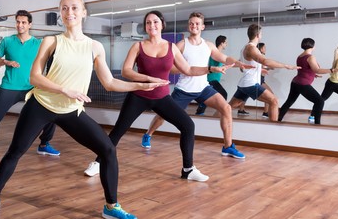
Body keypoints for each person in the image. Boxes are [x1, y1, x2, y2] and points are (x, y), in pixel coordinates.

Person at [0, 0, 168, 219]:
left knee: (108, 150)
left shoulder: (95, 46)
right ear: (60, 13)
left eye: (75, 8)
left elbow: (109, 82)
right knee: (15, 151)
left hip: (71, 111)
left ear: (84, 12)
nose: (70, 13)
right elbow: (35, 77)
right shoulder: (52, 41)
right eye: (65, 8)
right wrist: (64, 90)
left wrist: (141, 84)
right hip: (41, 105)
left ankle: (111, 206)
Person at [83, 11, 230, 180]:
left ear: (162, 24)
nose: (152, 25)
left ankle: (188, 169)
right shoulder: (138, 46)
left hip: (161, 98)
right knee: (118, 131)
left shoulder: (171, 47)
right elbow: (126, 71)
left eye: (155, 22)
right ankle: (99, 163)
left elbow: (188, 70)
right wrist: (147, 79)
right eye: (148, 23)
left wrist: (211, 69)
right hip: (138, 96)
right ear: (145, 27)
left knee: (188, 125)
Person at [142, 12, 250, 159]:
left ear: (202, 27)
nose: (194, 26)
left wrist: (238, 63)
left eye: (197, 23)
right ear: (188, 26)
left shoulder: (208, 45)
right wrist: (187, 69)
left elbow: (224, 58)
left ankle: (228, 146)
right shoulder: (181, 45)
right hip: (184, 89)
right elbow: (170, 67)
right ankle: (148, 134)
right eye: (191, 23)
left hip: (203, 88)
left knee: (226, 108)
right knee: (163, 115)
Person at [0, 10, 59, 156]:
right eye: (18, 22)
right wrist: (6, 61)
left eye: (23, 22)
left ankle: (44, 144)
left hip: (32, 87)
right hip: (9, 86)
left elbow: (54, 57)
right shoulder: (7, 41)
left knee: (50, 112)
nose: (20, 25)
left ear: (30, 24)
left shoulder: (38, 43)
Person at [228, 24, 299, 122]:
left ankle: (214, 121)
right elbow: (264, 61)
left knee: (228, 107)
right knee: (274, 101)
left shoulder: (245, 48)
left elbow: (243, 67)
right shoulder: (251, 48)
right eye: (261, 33)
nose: (261, 35)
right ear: (258, 35)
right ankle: (274, 128)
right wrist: (286, 66)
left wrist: (259, 70)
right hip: (250, 84)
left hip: (245, 84)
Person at [278, 38, 338, 124]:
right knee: (320, 101)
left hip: (295, 82)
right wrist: (331, 70)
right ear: (313, 46)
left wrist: (314, 75)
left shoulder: (300, 56)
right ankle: (317, 123)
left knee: (289, 101)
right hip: (303, 84)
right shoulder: (310, 57)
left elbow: (305, 69)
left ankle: (278, 119)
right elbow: (317, 69)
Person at [195, 35, 228, 115]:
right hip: (211, 79)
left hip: (214, 79)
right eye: (225, 42)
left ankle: (201, 109)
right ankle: (217, 114)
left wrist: (223, 67)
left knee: (210, 96)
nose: (226, 44)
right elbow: (214, 66)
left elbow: (217, 66)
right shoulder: (215, 53)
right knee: (224, 94)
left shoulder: (217, 53)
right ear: (221, 43)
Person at [309, 44, 338, 123]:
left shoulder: (337, 57)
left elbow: (336, 50)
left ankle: (312, 116)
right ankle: (313, 117)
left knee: (321, 100)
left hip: (331, 82)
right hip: (335, 84)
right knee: (321, 100)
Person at [257, 42, 275, 118]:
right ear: (261, 49)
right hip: (259, 80)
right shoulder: (260, 57)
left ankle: (266, 112)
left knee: (243, 96)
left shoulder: (260, 57)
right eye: (264, 48)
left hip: (261, 79)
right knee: (270, 95)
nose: (265, 49)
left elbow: (261, 67)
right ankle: (265, 112)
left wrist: (268, 68)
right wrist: (268, 68)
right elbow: (260, 68)